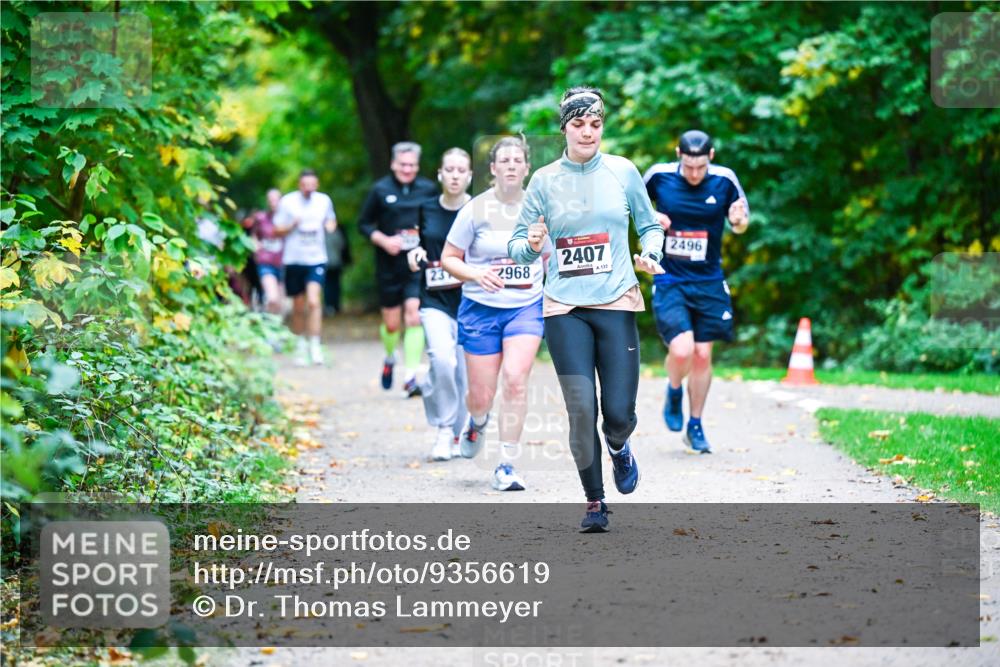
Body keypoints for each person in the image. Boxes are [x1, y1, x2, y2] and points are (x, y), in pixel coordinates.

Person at [508, 87, 665, 532]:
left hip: (615, 300)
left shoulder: (622, 171)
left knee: (618, 413)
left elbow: (650, 226)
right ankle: (595, 501)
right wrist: (530, 244)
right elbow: (517, 245)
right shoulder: (544, 181)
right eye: (578, 124)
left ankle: (619, 446)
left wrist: (652, 254)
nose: (587, 132)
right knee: (581, 411)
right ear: (564, 128)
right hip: (565, 306)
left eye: (595, 124)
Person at [441, 136, 548, 491]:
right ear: (493, 168)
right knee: (480, 396)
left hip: (526, 307)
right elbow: (449, 258)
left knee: (516, 380)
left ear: (527, 168)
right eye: (505, 160)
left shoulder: (540, 209)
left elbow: (550, 259)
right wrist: (476, 274)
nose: (512, 165)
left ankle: (507, 464)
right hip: (480, 309)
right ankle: (477, 421)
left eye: (518, 160)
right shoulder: (475, 210)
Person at [642, 130, 750, 454]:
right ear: (678, 154)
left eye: (700, 167)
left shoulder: (724, 179)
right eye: (688, 166)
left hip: (709, 280)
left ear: (711, 157)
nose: (693, 173)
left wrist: (739, 222)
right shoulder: (659, 176)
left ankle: (696, 425)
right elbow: (630, 208)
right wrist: (651, 217)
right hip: (670, 278)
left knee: (703, 354)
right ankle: (674, 389)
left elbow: (741, 221)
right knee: (682, 350)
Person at [406, 148, 473, 461]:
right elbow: (416, 246)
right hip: (434, 300)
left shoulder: (478, 209)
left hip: (472, 301)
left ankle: (459, 433)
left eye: (461, 170)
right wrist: (414, 255)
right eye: (449, 170)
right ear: (440, 174)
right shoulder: (426, 209)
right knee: (443, 361)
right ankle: (444, 430)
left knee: (463, 374)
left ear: (469, 176)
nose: (455, 175)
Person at [358, 142, 438, 397]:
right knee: (392, 325)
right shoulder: (380, 190)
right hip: (388, 265)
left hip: (417, 263)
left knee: (414, 316)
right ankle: (390, 356)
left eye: (412, 165)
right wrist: (383, 240)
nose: (407, 169)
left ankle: (410, 377)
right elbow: (364, 224)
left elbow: (437, 220)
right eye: (403, 164)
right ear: (393, 164)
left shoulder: (428, 189)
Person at [274, 169, 337, 366]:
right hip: (294, 259)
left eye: (312, 185)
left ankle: (315, 345)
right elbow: (277, 230)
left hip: (316, 259)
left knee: (314, 301)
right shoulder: (288, 202)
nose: (309, 189)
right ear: (299, 185)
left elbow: (331, 219)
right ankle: (300, 344)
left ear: (317, 185)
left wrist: (330, 225)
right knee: (298, 305)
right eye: (305, 185)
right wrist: (292, 225)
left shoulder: (324, 201)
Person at [248, 188, 285, 316]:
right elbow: (253, 235)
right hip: (266, 262)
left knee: (280, 303)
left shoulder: (287, 219)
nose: (273, 203)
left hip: (284, 263)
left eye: (276, 200)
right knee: (272, 298)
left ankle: (276, 324)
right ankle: (270, 323)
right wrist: (256, 246)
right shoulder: (260, 218)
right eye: (270, 200)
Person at [324, 224, 351, 316]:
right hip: (335, 262)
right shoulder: (338, 232)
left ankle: (331, 306)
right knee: (334, 284)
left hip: (330, 263)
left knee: (330, 285)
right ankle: (333, 305)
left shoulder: (323, 232)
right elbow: (343, 246)